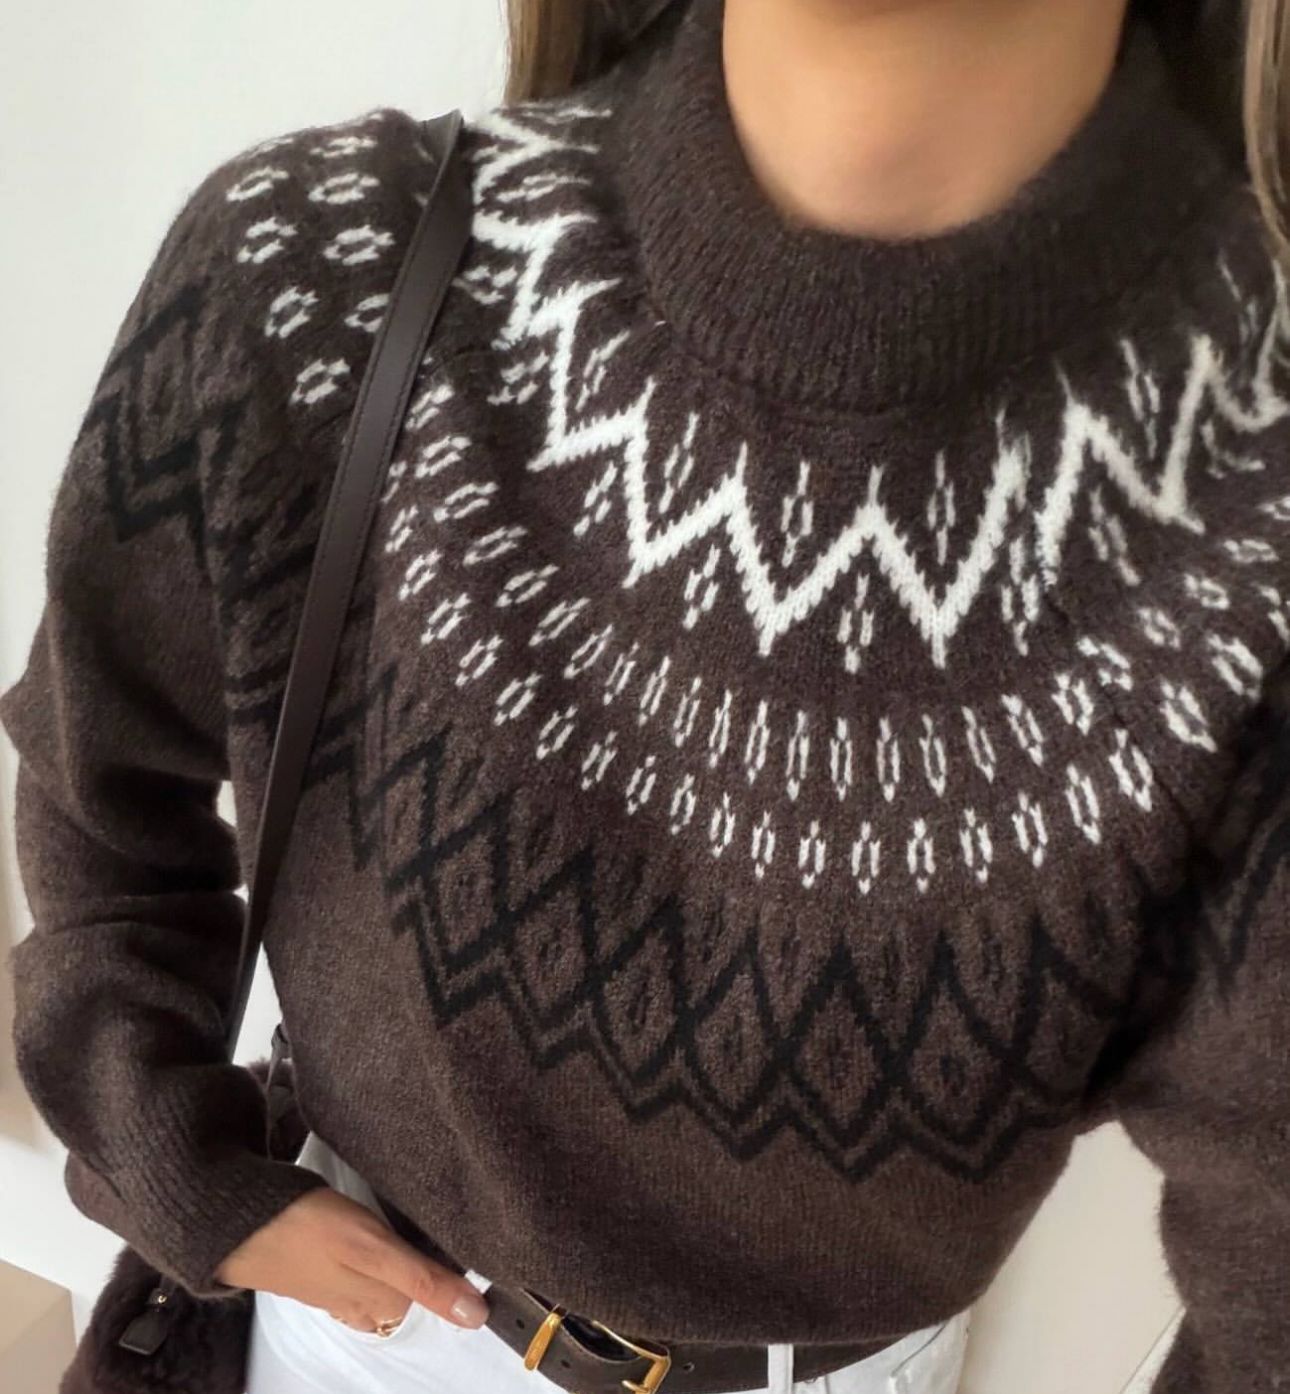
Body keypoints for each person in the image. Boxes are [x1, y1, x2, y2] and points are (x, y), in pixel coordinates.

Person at [3, 0, 1289, 1390]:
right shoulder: (319, 275)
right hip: (350, 1334)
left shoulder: (1256, 516)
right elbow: (96, 786)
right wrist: (177, 1164)